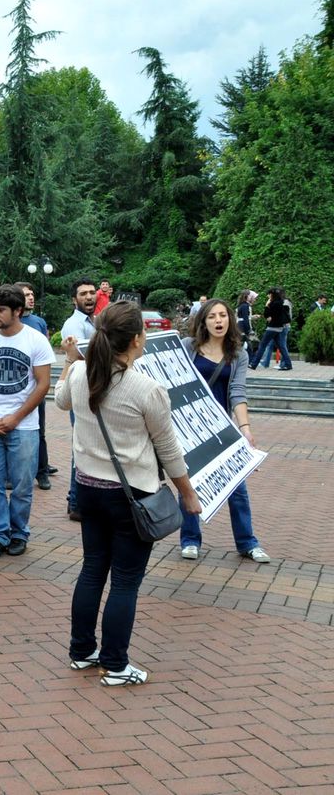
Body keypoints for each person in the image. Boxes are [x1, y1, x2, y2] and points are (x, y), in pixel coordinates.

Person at [55, 301, 201, 686]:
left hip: (87, 488)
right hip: (131, 495)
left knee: (91, 570)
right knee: (124, 581)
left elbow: (61, 401)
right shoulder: (146, 390)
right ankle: (116, 664)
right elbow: (168, 450)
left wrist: (71, 361)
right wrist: (188, 495)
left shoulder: (81, 373)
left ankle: (82, 651)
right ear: (137, 339)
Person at [179, 300, 270, 563]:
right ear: (203, 322)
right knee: (187, 485)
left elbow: (237, 392)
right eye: (212, 317)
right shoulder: (188, 348)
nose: (218, 321)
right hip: (190, 428)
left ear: (230, 320)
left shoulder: (238, 354)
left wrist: (245, 430)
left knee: (237, 488)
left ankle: (247, 543)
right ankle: (190, 539)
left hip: (223, 429)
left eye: (223, 316)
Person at [0, 285, 54, 558]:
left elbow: (42, 385)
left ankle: (19, 534)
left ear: (18, 311)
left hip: (24, 427)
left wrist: (16, 418)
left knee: (22, 486)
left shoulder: (36, 340)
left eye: (0, 310)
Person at [60, 278, 98, 521]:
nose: (89, 297)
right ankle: (76, 502)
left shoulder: (93, 322)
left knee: (86, 445)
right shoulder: (74, 324)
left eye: (92, 293)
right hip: (83, 392)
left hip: (94, 390)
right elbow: (80, 359)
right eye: (83, 294)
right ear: (74, 299)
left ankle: (78, 499)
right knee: (81, 446)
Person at [249, 288, 293, 371]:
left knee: (262, 345)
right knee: (282, 346)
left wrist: (267, 305)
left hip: (272, 328)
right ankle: (288, 364)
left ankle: (254, 364)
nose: (268, 296)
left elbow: (266, 315)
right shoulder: (282, 303)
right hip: (280, 328)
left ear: (273, 295)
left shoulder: (274, 303)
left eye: (269, 294)